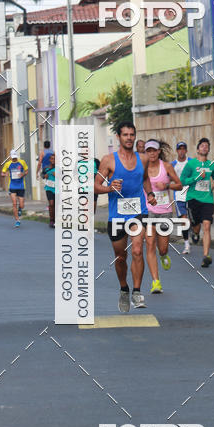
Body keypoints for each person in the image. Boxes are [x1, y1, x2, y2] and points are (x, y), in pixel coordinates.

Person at [94, 121, 152, 312]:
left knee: (137, 250)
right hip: (117, 215)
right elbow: (95, 186)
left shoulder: (143, 159)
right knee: (120, 257)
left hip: (138, 211)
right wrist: (109, 188)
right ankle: (124, 288)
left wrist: (150, 194)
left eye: (132, 134)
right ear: (118, 137)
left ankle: (137, 291)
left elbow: (144, 179)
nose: (129, 138)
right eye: (125, 135)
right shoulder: (108, 160)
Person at [143, 139, 181, 293]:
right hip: (148, 211)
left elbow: (179, 184)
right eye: (148, 151)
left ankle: (164, 254)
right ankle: (155, 282)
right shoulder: (142, 169)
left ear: (159, 151)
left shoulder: (166, 167)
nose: (151, 153)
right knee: (150, 245)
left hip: (165, 211)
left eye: (154, 150)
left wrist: (166, 185)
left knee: (163, 248)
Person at [180, 137, 214, 268]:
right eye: (202, 146)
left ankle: (205, 256)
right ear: (197, 149)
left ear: (208, 150)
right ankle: (195, 233)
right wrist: (196, 177)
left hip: (207, 200)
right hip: (193, 199)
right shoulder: (191, 165)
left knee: (207, 226)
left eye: (206, 146)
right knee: (196, 225)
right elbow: (183, 180)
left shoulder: (211, 165)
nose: (204, 147)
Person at [172, 141, 192, 254]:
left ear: (186, 150)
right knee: (184, 220)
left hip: (191, 195)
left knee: (194, 221)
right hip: (179, 196)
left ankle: (194, 231)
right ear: (177, 151)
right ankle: (187, 245)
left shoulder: (191, 162)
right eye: (180, 149)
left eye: (184, 149)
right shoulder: (173, 165)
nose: (181, 151)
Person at [1, 150, 29, 226]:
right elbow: (2, 173)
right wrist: (4, 174)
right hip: (12, 186)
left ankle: (20, 209)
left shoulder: (22, 162)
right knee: (14, 203)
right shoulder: (8, 164)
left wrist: (22, 174)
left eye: (15, 157)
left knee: (22, 205)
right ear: (10, 157)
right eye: (13, 158)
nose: (14, 159)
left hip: (21, 186)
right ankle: (17, 220)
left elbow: (26, 171)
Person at [44, 152, 56, 228]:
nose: (53, 160)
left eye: (54, 159)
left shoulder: (60, 168)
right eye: (51, 159)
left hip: (57, 189)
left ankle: (56, 220)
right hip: (49, 188)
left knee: (56, 205)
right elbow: (42, 175)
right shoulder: (46, 168)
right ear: (49, 160)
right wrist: (45, 176)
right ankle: (51, 220)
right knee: (51, 204)